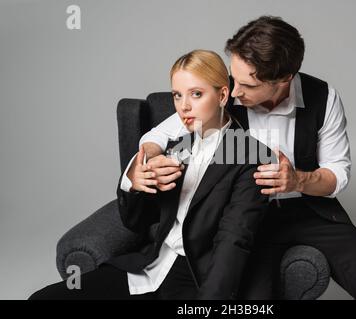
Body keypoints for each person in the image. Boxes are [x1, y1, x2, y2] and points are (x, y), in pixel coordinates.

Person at [136, 16, 356, 299]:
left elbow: (338, 174)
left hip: (309, 211)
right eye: (234, 78)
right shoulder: (222, 94)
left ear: (284, 80)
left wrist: (298, 180)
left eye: (248, 86)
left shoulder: (323, 97)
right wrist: (151, 159)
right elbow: (155, 137)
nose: (236, 92)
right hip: (243, 217)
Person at [29, 49, 273, 300]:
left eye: (196, 94)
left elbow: (233, 241)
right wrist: (133, 184)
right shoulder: (178, 147)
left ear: (222, 95)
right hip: (151, 266)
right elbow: (136, 222)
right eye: (177, 96)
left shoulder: (252, 156)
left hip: (199, 278)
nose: (184, 107)